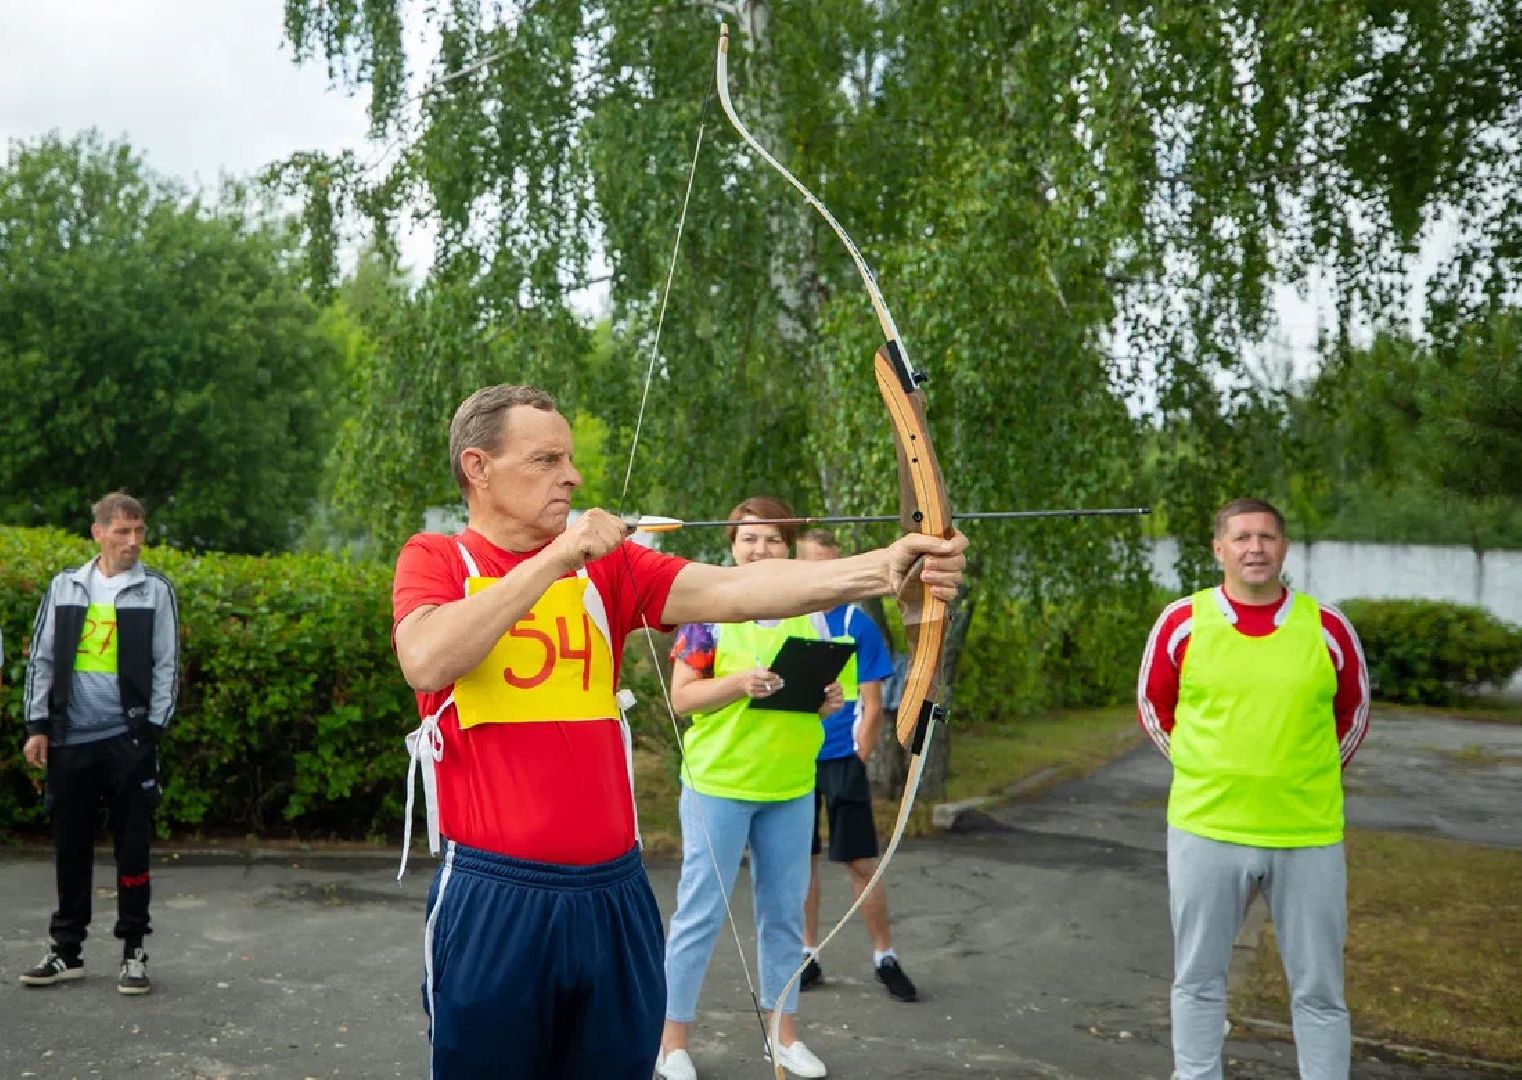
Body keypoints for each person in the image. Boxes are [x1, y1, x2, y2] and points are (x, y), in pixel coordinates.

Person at [391, 387, 967, 1080]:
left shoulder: (611, 568)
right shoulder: (439, 560)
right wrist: (555, 560)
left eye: (569, 459)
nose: (571, 476)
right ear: (478, 468)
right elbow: (426, 657)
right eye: (547, 459)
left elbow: (739, 591)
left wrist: (883, 568)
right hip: (494, 895)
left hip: (613, 890)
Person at [1137, 497, 1369, 1080]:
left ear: (1284, 547)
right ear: (1219, 548)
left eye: (1266, 537)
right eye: (1241, 538)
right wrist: (1203, 769)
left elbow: (1354, 713)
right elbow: (1153, 705)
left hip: (1306, 833)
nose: (1255, 548)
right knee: (1197, 979)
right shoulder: (1181, 623)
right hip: (1207, 828)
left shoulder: (1328, 627)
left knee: (1319, 989)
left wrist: (1301, 775)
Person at [656, 499, 849, 1080]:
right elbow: (682, 699)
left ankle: (783, 1036)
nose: (760, 550)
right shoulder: (706, 610)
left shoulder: (811, 614)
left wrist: (827, 700)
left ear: (788, 549)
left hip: (790, 785)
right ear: (732, 546)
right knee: (700, 914)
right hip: (719, 784)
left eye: (772, 540)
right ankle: (671, 1045)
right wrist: (739, 683)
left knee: (785, 916)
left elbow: (821, 693)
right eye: (749, 540)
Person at [19, 491, 180, 996]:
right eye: (122, 531)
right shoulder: (65, 587)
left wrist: (150, 731)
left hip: (128, 740)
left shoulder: (155, 591)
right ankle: (67, 951)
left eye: (139, 531)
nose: (133, 542)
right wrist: (38, 726)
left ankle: (133, 951)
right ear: (99, 533)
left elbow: (166, 667)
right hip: (71, 741)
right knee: (71, 849)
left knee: (132, 849)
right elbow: (42, 660)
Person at [793, 529, 917, 1003]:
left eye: (832, 565)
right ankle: (807, 955)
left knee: (861, 862)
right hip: (796, 759)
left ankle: (884, 956)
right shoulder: (786, 618)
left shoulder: (856, 623)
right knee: (801, 865)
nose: (825, 575)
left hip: (842, 760)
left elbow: (872, 702)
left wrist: (858, 755)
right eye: (815, 566)